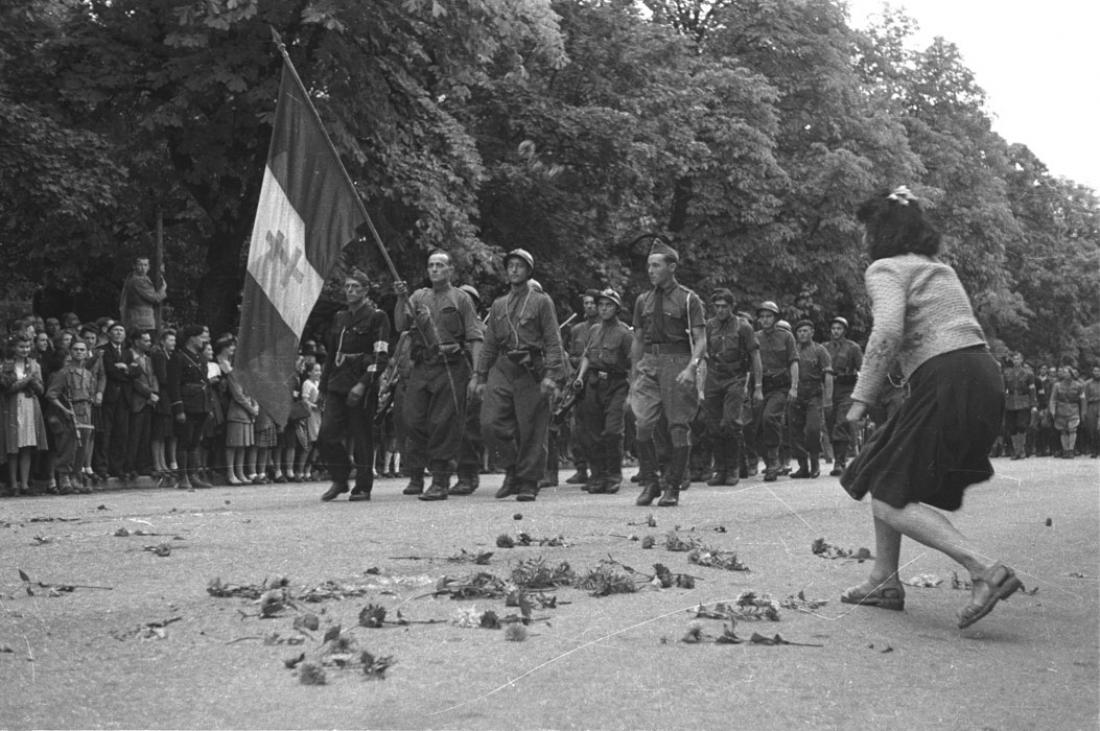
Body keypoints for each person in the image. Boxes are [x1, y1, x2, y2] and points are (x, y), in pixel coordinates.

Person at [840, 185, 1020, 630]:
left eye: (868, 229)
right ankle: (884, 580)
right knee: (884, 470)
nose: (864, 239)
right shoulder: (940, 269)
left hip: (944, 379)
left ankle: (983, 568)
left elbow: (886, 333)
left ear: (881, 232)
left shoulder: (884, 269)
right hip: (980, 374)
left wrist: (861, 398)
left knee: (887, 497)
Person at [475, 249, 566, 502]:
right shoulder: (499, 304)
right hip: (503, 366)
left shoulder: (541, 301)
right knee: (489, 423)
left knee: (532, 428)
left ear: (528, 271)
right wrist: (480, 376)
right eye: (511, 266)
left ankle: (528, 480)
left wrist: (551, 374)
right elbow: (490, 343)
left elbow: (552, 340)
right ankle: (511, 469)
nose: (514, 270)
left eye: (520, 266)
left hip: (530, 367)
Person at [394, 250, 484, 500]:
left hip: (450, 365)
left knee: (442, 422)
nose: (434, 269)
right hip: (423, 365)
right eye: (431, 265)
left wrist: (477, 375)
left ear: (450, 270)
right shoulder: (418, 296)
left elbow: (475, 336)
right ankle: (420, 471)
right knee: (411, 419)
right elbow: (401, 324)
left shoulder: (461, 298)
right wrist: (401, 299)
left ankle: (440, 480)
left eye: (440, 265)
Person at [630, 240, 706, 507]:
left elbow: (700, 340)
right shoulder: (643, 300)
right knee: (642, 424)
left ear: (671, 267)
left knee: (677, 426)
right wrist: (633, 376)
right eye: (649, 265)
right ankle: (650, 482)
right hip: (650, 362)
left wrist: (691, 367)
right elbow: (638, 340)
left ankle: (672, 485)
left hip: (679, 362)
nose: (650, 270)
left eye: (656, 265)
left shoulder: (688, 299)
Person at [318, 270, 391, 502]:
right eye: (347, 286)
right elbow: (331, 354)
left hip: (362, 383)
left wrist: (362, 385)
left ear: (366, 290)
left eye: (355, 287)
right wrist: (323, 386)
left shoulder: (377, 317)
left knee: (361, 436)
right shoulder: (340, 317)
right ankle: (340, 477)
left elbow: (380, 356)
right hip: (337, 382)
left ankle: (363, 486)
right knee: (326, 435)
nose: (350, 291)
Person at [572, 288, 633, 494]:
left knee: (613, 431)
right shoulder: (594, 330)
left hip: (616, 385)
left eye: (609, 305)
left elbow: (633, 363)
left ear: (617, 308)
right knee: (592, 433)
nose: (604, 309)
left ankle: (614, 475)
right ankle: (597, 475)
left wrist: (632, 392)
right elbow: (588, 356)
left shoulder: (625, 334)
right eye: (601, 305)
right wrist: (580, 378)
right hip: (594, 383)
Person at [701, 289, 760, 487]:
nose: (720, 310)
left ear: (731, 307)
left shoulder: (743, 327)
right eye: (717, 307)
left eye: (724, 306)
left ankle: (734, 467)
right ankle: (720, 469)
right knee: (713, 425)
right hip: (714, 378)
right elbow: (703, 354)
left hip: (735, 378)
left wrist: (757, 386)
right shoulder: (709, 326)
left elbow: (755, 356)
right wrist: (701, 385)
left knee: (731, 422)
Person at [752, 302, 798, 482]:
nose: (765, 320)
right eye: (762, 316)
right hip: (760, 386)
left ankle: (773, 462)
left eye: (769, 316)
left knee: (769, 418)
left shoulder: (786, 337)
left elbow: (794, 362)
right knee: (755, 427)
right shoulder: (755, 337)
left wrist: (794, 387)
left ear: (775, 318)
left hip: (780, 386)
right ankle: (770, 460)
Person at [45, 339, 97, 495]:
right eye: (75, 349)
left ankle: (76, 477)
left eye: (82, 350)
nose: (79, 352)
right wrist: (64, 409)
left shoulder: (88, 374)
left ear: (87, 353)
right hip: (69, 411)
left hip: (86, 410)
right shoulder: (63, 373)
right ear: (70, 352)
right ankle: (64, 479)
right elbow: (51, 395)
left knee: (83, 446)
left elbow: (91, 393)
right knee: (68, 445)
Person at [2, 335, 50, 495]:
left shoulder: (35, 365)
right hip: (13, 406)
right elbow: (7, 388)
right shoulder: (6, 365)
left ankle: (24, 484)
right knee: (13, 446)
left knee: (27, 446)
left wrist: (32, 381)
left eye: (28, 347)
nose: (25, 350)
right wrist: (27, 379)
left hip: (30, 405)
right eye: (22, 347)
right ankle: (13, 483)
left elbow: (41, 389)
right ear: (14, 348)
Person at [167, 325, 213, 490]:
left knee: (195, 442)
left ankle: (193, 475)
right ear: (191, 338)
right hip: (187, 404)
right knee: (184, 440)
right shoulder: (178, 357)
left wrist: (209, 405)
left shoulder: (201, 358)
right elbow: (173, 385)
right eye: (201, 337)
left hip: (201, 404)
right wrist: (178, 409)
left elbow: (205, 382)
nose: (204, 340)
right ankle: (183, 476)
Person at [788, 320, 833, 479]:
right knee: (796, 431)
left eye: (806, 331)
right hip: (795, 394)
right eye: (799, 331)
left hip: (814, 394)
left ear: (812, 332)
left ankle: (815, 463)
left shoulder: (820, 350)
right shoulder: (792, 350)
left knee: (813, 429)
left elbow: (828, 375)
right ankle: (803, 466)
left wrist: (828, 398)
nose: (802, 334)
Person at [564, 290, 600, 485]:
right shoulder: (577, 329)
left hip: (597, 380)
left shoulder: (605, 328)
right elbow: (572, 354)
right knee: (576, 427)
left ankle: (599, 469)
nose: (589, 306)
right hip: (578, 382)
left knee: (596, 428)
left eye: (592, 303)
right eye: (586, 303)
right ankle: (580, 468)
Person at [824, 316, 863, 475]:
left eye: (839, 328)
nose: (836, 331)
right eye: (833, 328)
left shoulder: (853, 348)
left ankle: (840, 462)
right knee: (831, 422)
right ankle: (838, 458)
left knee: (841, 422)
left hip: (847, 388)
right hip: (829, 388)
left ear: (844, 330)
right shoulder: (824, 347)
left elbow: (861, 369)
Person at [126, 329, 158, 480]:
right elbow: (134, 380)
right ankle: (130, 466)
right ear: (136, 341)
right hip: (137, 400)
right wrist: (148, 393)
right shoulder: (129, 355)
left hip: (149, 401)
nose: (148, 343)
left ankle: (143, 466)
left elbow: (153, 377)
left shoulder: (148, 358)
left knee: (146, 435)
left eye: (149, 341)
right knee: (134, 435)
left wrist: (155, 393)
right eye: (145, 340)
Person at [1001, 351, 1037, 460]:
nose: (1016, 361)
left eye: (1018, 358)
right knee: (1012, 427)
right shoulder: (1007, 373)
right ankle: (1016, 450)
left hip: (1024, 401)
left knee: (1021, 426)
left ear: (1022, 360)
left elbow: (1032, 390)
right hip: (1011, 401)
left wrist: (1033, 404)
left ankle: (1021, 450)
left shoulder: (1028, 374)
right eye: (1014, 359)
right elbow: (1004, 389)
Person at [119, 256, 167, 333]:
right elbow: (154, 298)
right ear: (134, 266)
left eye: (145, 265)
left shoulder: (143, 278)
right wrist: (163, 289)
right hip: (141, 321)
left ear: (149, 267)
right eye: (140, 265)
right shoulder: (138, 280)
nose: (143, 268)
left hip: (141, 320)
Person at [1048, 365, 1086, 459]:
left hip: (1073, 409)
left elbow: (1083, 399)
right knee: (1063, 430)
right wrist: (1052, 410)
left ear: (1071, 374)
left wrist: (1083, 412)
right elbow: (1053, 399)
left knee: (1072, 429)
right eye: (1064, 372)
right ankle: (1065, 450)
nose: (1065, 374)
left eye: (1067, 372)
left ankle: (1071, 450)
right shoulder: (1057, 385)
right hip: (1061, 410)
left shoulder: (1078, 385)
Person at [1083, 365, 1100, 458]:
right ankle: (1094, 450)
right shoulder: (1087, 383)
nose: (1097, 373)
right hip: (1092, 406)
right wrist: (1084, 411)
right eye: (1095, 371)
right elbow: (1084, 398)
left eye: (1098, 371)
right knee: (1092, 429)